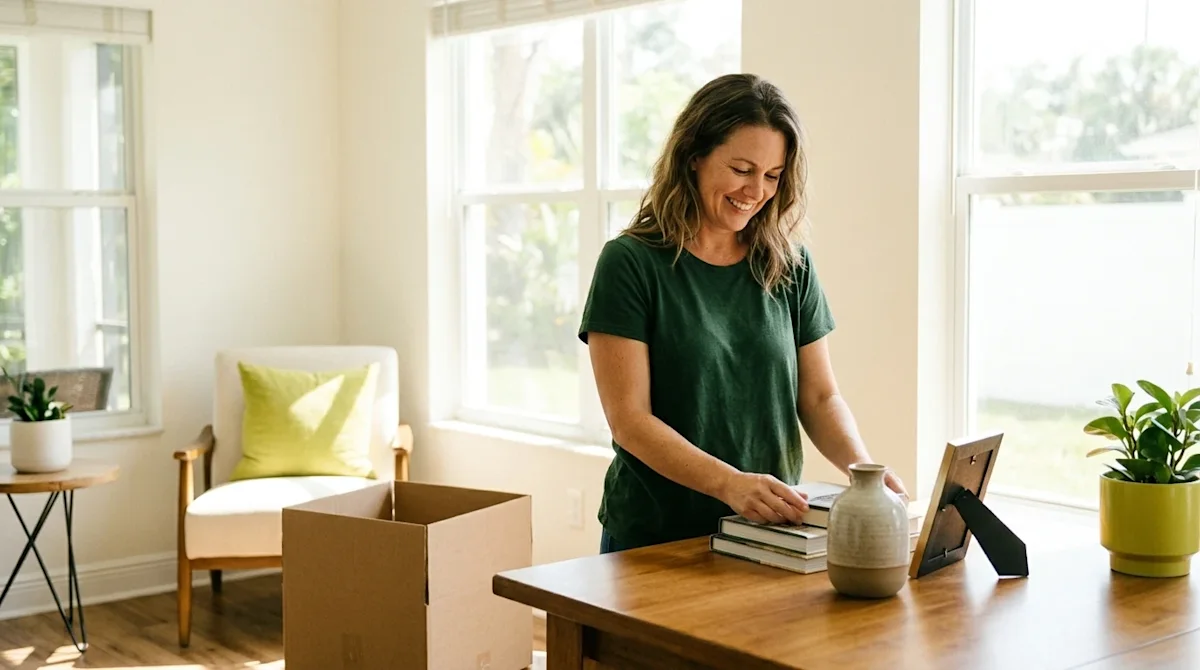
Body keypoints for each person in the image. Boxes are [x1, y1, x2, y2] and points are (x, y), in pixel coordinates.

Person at [578, 73, 908, 554]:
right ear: (693, 157)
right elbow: (629, 420)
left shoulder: (789, 265)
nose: (756, 190)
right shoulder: (630, 263)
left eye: (773, 176)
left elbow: (818, 397)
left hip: (765, 534)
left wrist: (865, 475)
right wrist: (730, 483)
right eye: (741, 169)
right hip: (655, 540)